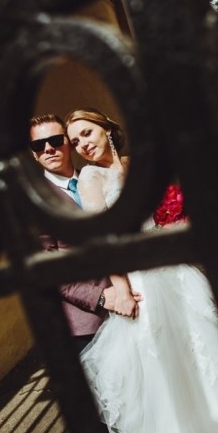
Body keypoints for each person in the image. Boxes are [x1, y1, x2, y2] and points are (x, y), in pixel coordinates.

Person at [64, 108, 218, 433]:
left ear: (106, 128)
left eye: (87, 133)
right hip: (141, 282)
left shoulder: (136, 165)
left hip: (175, 273)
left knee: (206, 363)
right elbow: (104, 241)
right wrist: (122, 289)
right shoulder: (91, 178)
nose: (82, 144)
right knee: (166, 378)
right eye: (75, 141)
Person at [29, 113, 141, 352]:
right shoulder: (34, 203)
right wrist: (101, 297)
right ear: (34, 154)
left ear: (68, 143)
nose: (48, 149)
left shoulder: (98, 175)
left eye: (55, 140)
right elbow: (46, 268)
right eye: (39, 145)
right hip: (89, 323)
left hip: (139, 293)